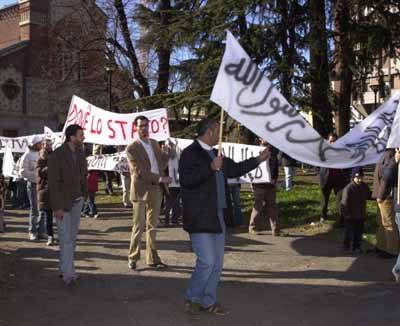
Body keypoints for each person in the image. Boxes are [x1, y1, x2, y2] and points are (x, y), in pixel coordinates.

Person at [179, 118, 270, 315]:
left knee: (217, 263)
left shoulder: (216, 153)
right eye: (218, 131)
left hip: (217, 214)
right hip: (199, 216)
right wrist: (210, 168)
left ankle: (208, 301)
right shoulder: (190, 153)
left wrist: (258, 160)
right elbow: (186, 181)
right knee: (207, 261)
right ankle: (192, 297)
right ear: (210, 132)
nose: (221, 135)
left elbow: (235, 169)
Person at [126, 116, 172, 270]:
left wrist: (167, 154)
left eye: (146, 125)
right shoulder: (131, 148)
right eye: (141, 126)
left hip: (156, 188)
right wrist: (161, 178)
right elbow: (139, 172)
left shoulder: (154, 143)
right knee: (138, 226)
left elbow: (160, 164)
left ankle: (152, 258)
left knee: (153, 226)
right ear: (136, 128)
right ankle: (133, 257)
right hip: (140, 190)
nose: (144, 128)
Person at [48, 124, 88, 285]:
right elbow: (53, 183)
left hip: (77, 201)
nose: (83, 137)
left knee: (71, 238)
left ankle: (63, 267)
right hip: (62, 203)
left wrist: (84, 195)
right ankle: (68, 273)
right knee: (65, 239)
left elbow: (83, 175)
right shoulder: (57, 155)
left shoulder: (80, 153)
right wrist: (57, 207)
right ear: (72, 137)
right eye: (80, 135)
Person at [372, 148, 400, 258]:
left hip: (385, 195)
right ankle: (381, 246)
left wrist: (380, 195)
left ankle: (392, 250)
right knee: (381, 222)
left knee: (388, 223)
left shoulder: (389, 154)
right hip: (381, 194)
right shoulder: (384, 153)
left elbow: (387, 176)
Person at [249, 139, 280, 236]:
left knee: (272, 207)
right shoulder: (255, 151)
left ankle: (275, 229)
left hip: (270, 184)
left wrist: (275, 178)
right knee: (258, 206)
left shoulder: (273, 152)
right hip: (259, 185)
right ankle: (252, 227)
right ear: (260, 139)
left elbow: (275, 167)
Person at [319, 133, 350, 225]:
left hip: (339, 180)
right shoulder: (323, 151)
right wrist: (320, 173)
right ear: (327, 141)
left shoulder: (341, 152)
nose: (333, 143)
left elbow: (347, 163)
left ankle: (341, 219)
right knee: (324, 199)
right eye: (331, 141)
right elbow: (316, 163)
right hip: (326, 179)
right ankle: (323, 215)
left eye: (334, 141)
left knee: (340, 200)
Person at [341, 167, 371, 254]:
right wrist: (346, 215)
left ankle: (357, 247)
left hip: (361, 215)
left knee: (359, 232)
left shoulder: (364, 186)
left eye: (361, 177)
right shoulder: (348, 188)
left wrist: (378, 196)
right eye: (357, 177)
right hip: (350, 216)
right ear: (353, 177)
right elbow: (344, 203)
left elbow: (369, 195)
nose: (359, 179)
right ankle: (346, 246)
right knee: (349, 232)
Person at [19, 135, 43, 240]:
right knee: (34, 210)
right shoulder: (27, 156)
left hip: (42, 185)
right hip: (33, 185)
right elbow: (22, 172)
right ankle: (32, 231)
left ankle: (41, 231)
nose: (41, 144)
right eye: (39, 143)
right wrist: (36, 175)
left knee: (42, 208)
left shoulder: (42, 154)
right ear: (34, 144)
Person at [36, 142, 55, 246]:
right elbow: (39, 174)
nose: (49, 146)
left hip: (55, 192)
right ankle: (49, 236)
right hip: (46, 193)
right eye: (46, 144)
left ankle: (55, 235)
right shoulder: (40, 160)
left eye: (50, 144)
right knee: (47, 216)